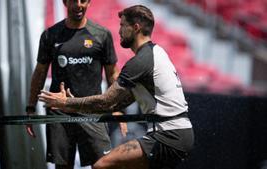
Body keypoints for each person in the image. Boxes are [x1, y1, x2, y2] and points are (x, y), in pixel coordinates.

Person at [39, 5, 194, 169]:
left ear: (135, 28)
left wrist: (66, 104)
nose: (119, 31)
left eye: (122, 26)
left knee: (102, 165)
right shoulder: (157, 52)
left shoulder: (140, 62)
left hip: (167, 136)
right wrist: (76, 106)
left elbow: (106, 102)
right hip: (179, 134)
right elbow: (117, 103)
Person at [25, 0, 127, 168]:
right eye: (73, 0)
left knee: (103, 165)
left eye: (83, 0)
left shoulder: (102, 34)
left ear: (89, 2)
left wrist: (118, 107)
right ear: (65, 2)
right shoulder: (50, 35)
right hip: (60, 112)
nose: (78, 5)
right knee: (62, 166)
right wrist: (30, 107)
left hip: (93, 110)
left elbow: (112, 74)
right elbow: (40, 72)